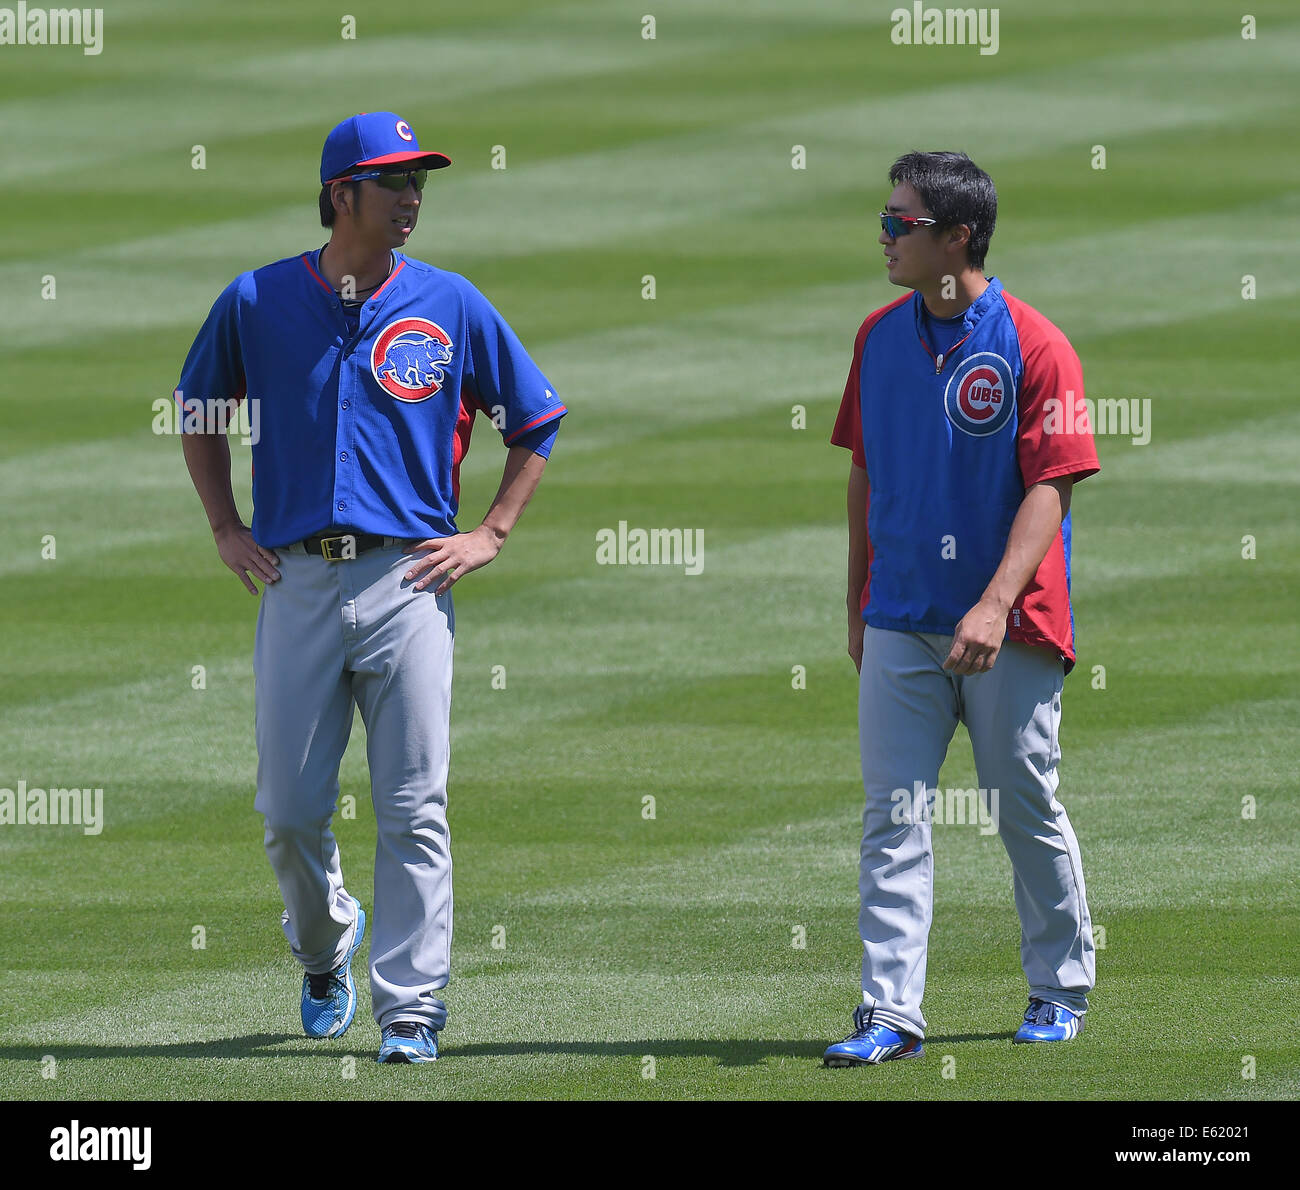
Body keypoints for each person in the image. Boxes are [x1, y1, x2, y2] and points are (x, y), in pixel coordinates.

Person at [176, 112, 565, 1064]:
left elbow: (536, 421)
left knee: (414, 804)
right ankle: (323, 946)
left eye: (419, 181)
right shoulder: (259, 300)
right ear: (340, 193)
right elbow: (198, 407)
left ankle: (412, 1010)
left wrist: (492, 532)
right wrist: (225, 525)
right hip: (297, 582)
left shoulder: (452, 302)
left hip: (411, 580)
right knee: (289, 811)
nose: (412, 197)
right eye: (394, 181)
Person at [823, 151, 1098, 1066]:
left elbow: (1053, 487)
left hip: (1009, 623)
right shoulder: (877, 335)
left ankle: (1059, 988)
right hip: (902, 611)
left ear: (957, 238)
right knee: (892, 814)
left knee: (1021, 800)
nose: (886, 235)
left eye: (902, 223)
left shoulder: (1036, 343)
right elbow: (864, 469)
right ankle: (889, 1012)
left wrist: (991, 605)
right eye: (887, 218)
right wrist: (858, 600)